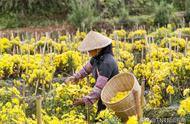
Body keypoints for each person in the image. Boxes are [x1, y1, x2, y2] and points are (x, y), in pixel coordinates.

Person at [64, 31, 119, 115]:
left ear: (99, 48)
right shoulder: (97, 58)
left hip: (112, 98)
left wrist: (85, 100)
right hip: (104, 95)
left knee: (105, 117)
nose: (88, 52)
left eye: (90, 49)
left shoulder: (106, 63)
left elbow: (99, 87)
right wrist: (75, 78)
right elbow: (86, 69)